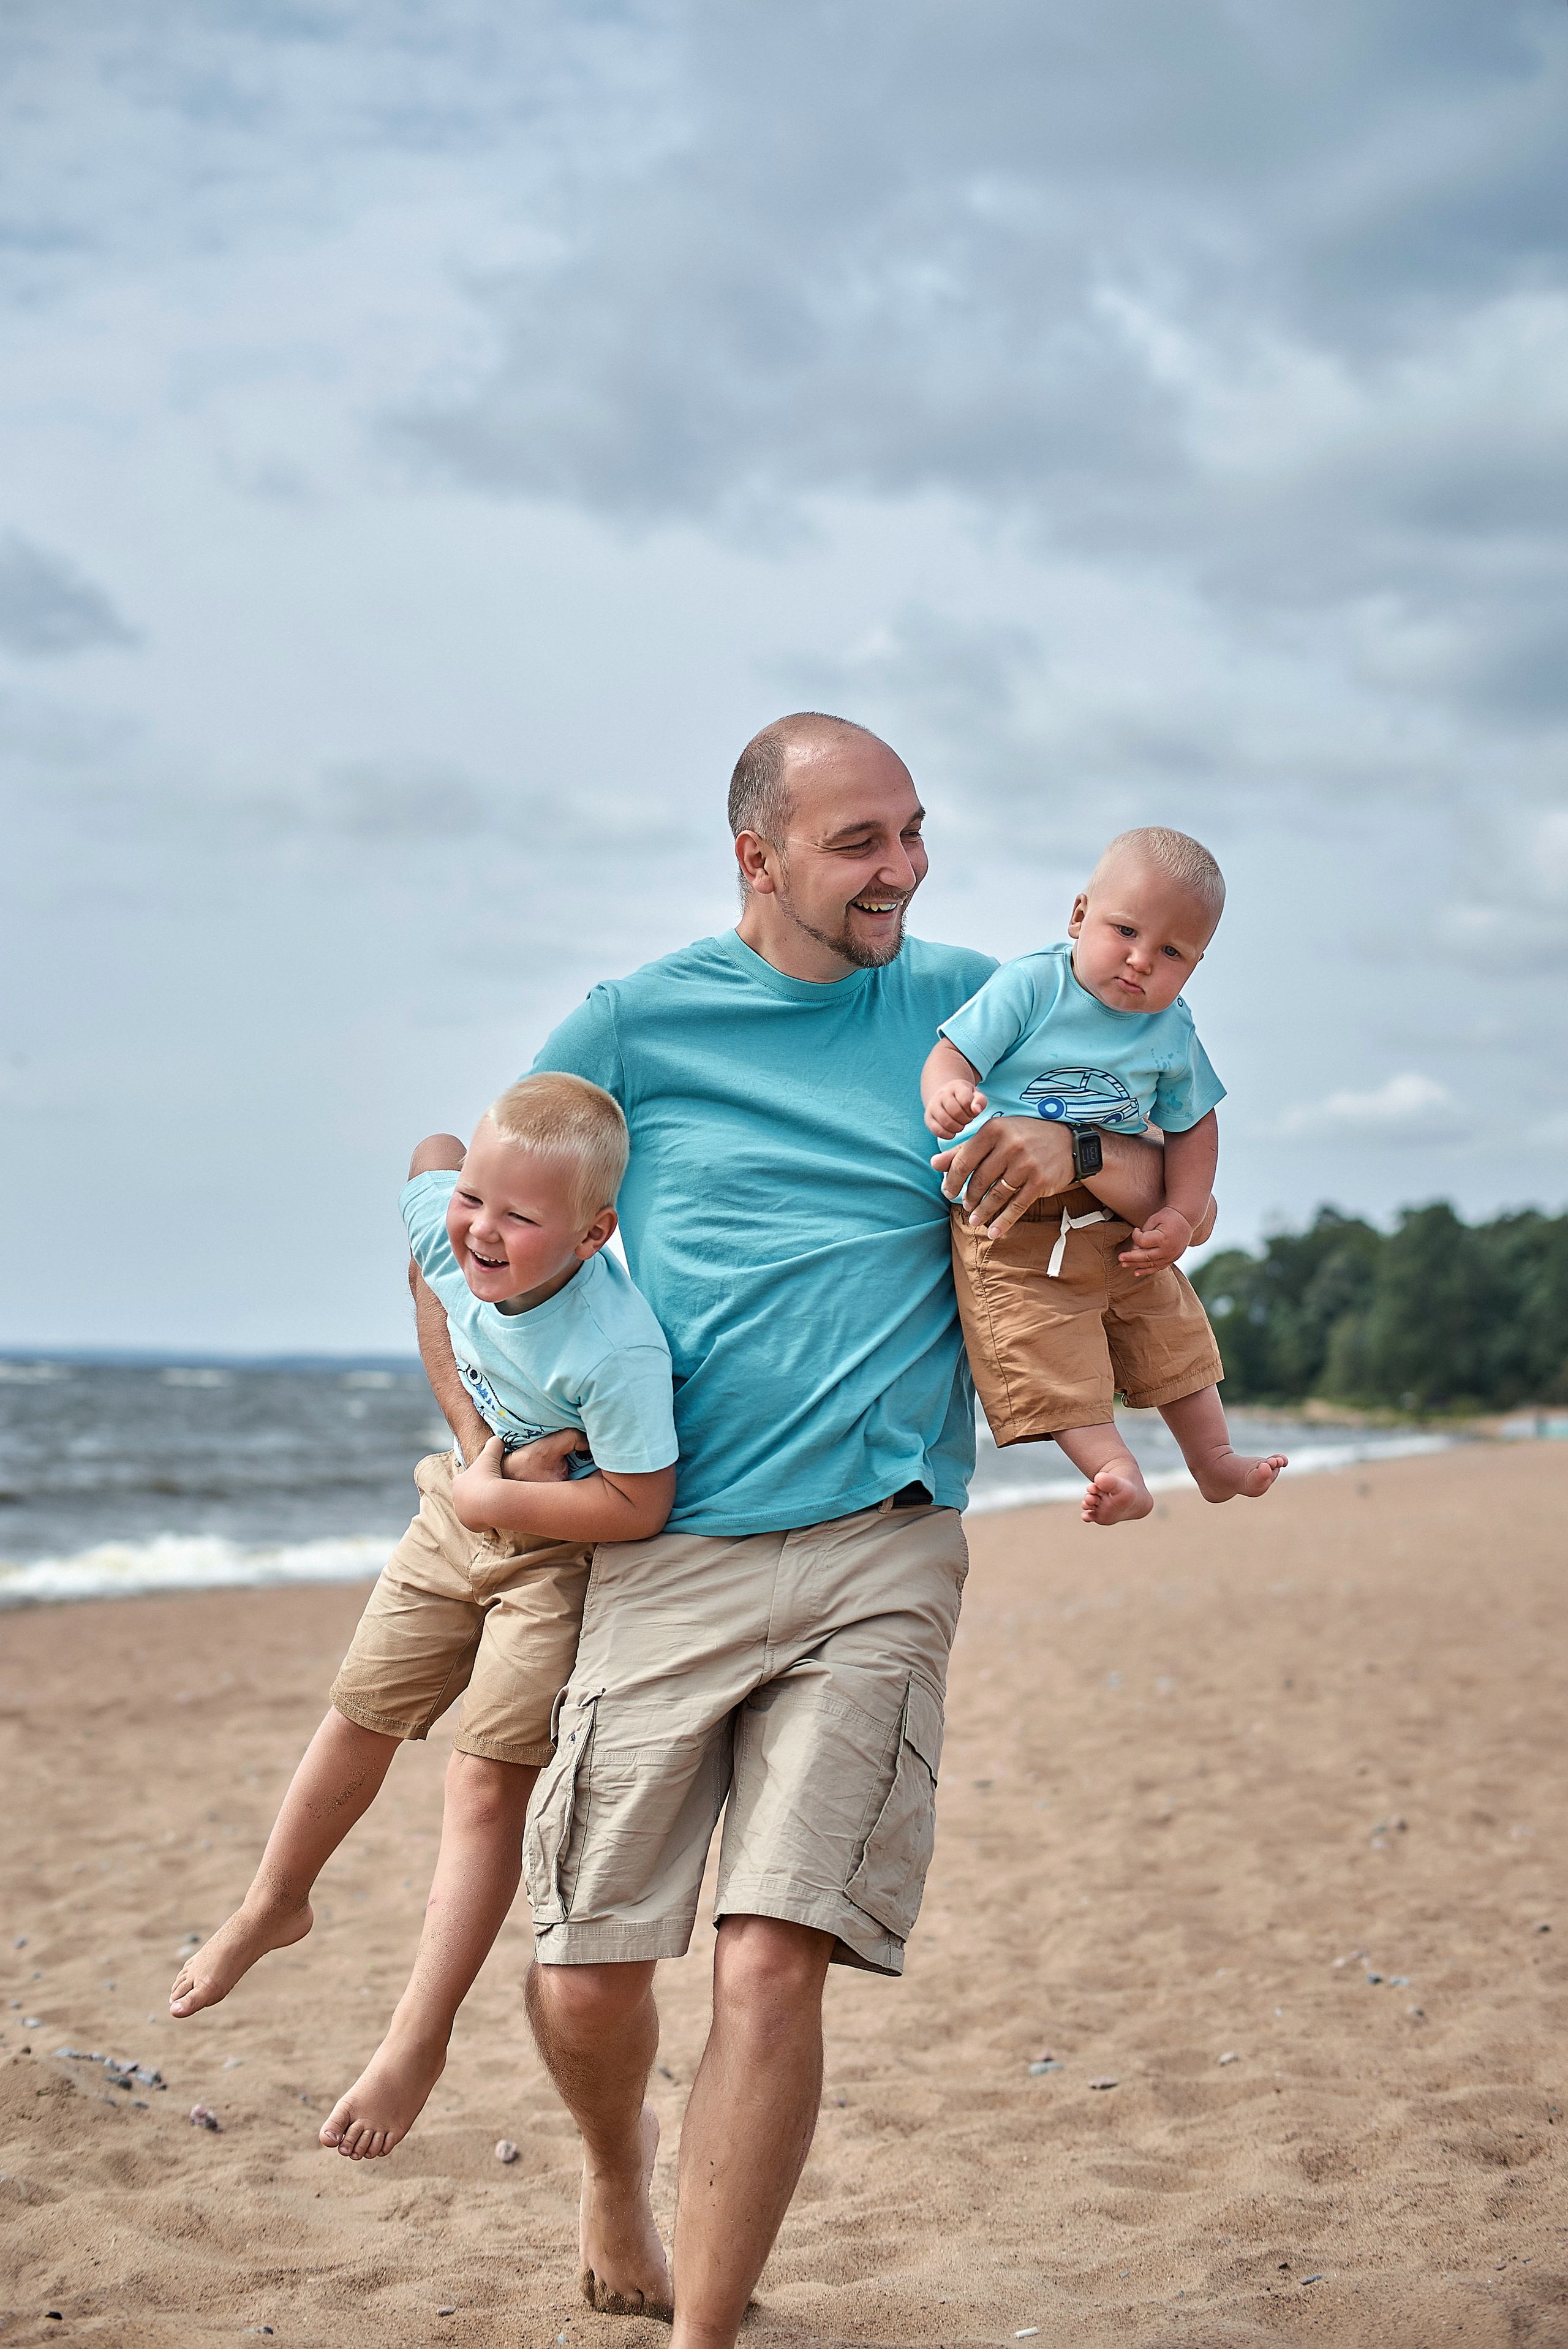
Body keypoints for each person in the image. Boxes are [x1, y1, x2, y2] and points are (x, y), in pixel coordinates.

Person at [411, 714, 1205, 2349]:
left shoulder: (994, 1003)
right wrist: (489, 1446)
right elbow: (471, 1225)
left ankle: (707, 2331)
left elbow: (1176, 1169)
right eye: (862, 843)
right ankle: (617, 2174)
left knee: (773, 1960)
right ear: (756, 856)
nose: (904, 869)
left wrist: (1084, 1151)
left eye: (914, 831)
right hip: (667, 1551)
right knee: (584, 1972)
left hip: (884, 1542)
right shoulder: (636, 1025)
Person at [170, 1073, 678, 2163]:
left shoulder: (616, 1346)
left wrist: (505, 1495)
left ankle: (418, 2031)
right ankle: (275, 1899)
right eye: (476, 1198)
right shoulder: (454, 1233)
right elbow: (430, 1154)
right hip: (450, 1517)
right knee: (358, 1710)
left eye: (519, 1215)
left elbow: (642, 1501)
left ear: (594, 1235)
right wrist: (474, 1464)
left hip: (557, 1560)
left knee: (482, 1776)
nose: (483, 1230)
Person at [922, 826, 1286, 1526]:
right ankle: (1114, 1468)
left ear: (1196, 966)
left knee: (1170, 1330)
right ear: (1079, 916)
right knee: (1043, 1347)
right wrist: (948, 1091)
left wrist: (1180, 1214)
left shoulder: (1171, 1029)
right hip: (1011, 1221)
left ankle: (1213, 1461)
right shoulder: (1034, 984)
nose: (1141, 961)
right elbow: (953, 1050)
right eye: (1125, 930)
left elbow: (1192, 1125)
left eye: (1172, 952)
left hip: (1115, 1218)